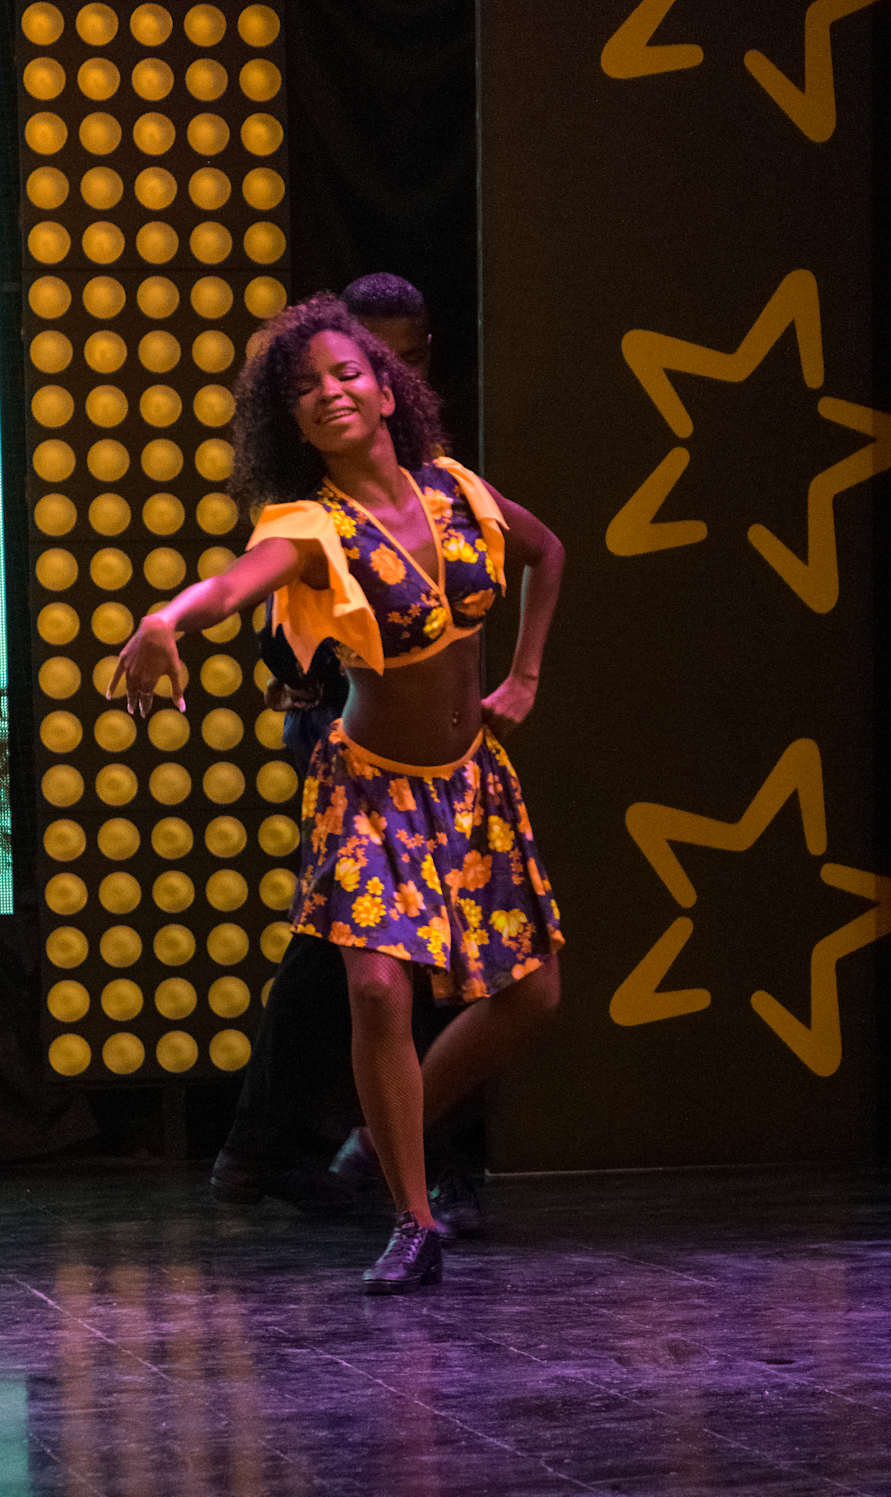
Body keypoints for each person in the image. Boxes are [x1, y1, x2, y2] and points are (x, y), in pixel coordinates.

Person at [107, 292, 565, 1294]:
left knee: (532, 994)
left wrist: (525, 676)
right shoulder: (312, 526)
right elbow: (237, 583)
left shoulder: (458, 492)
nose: (330, 392)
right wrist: (166, 619)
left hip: (473, 784)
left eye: (346, 374)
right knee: (374, 987)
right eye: (307, 390)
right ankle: (413, 1221)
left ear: (389, 391)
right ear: (296, 425)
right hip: (371, 791)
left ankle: (381, 1130)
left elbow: (548, 553)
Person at [210, 276, 446, 1217]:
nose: (351, 387)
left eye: (391, 362)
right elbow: (265, 597)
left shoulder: (431, 474)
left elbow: (533, 554)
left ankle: (306, 1146)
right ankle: (301, 1148)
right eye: (325, 379)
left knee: (385, 955)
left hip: (439, 759)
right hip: (346, 734)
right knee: (352, 954)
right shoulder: (314, 497)